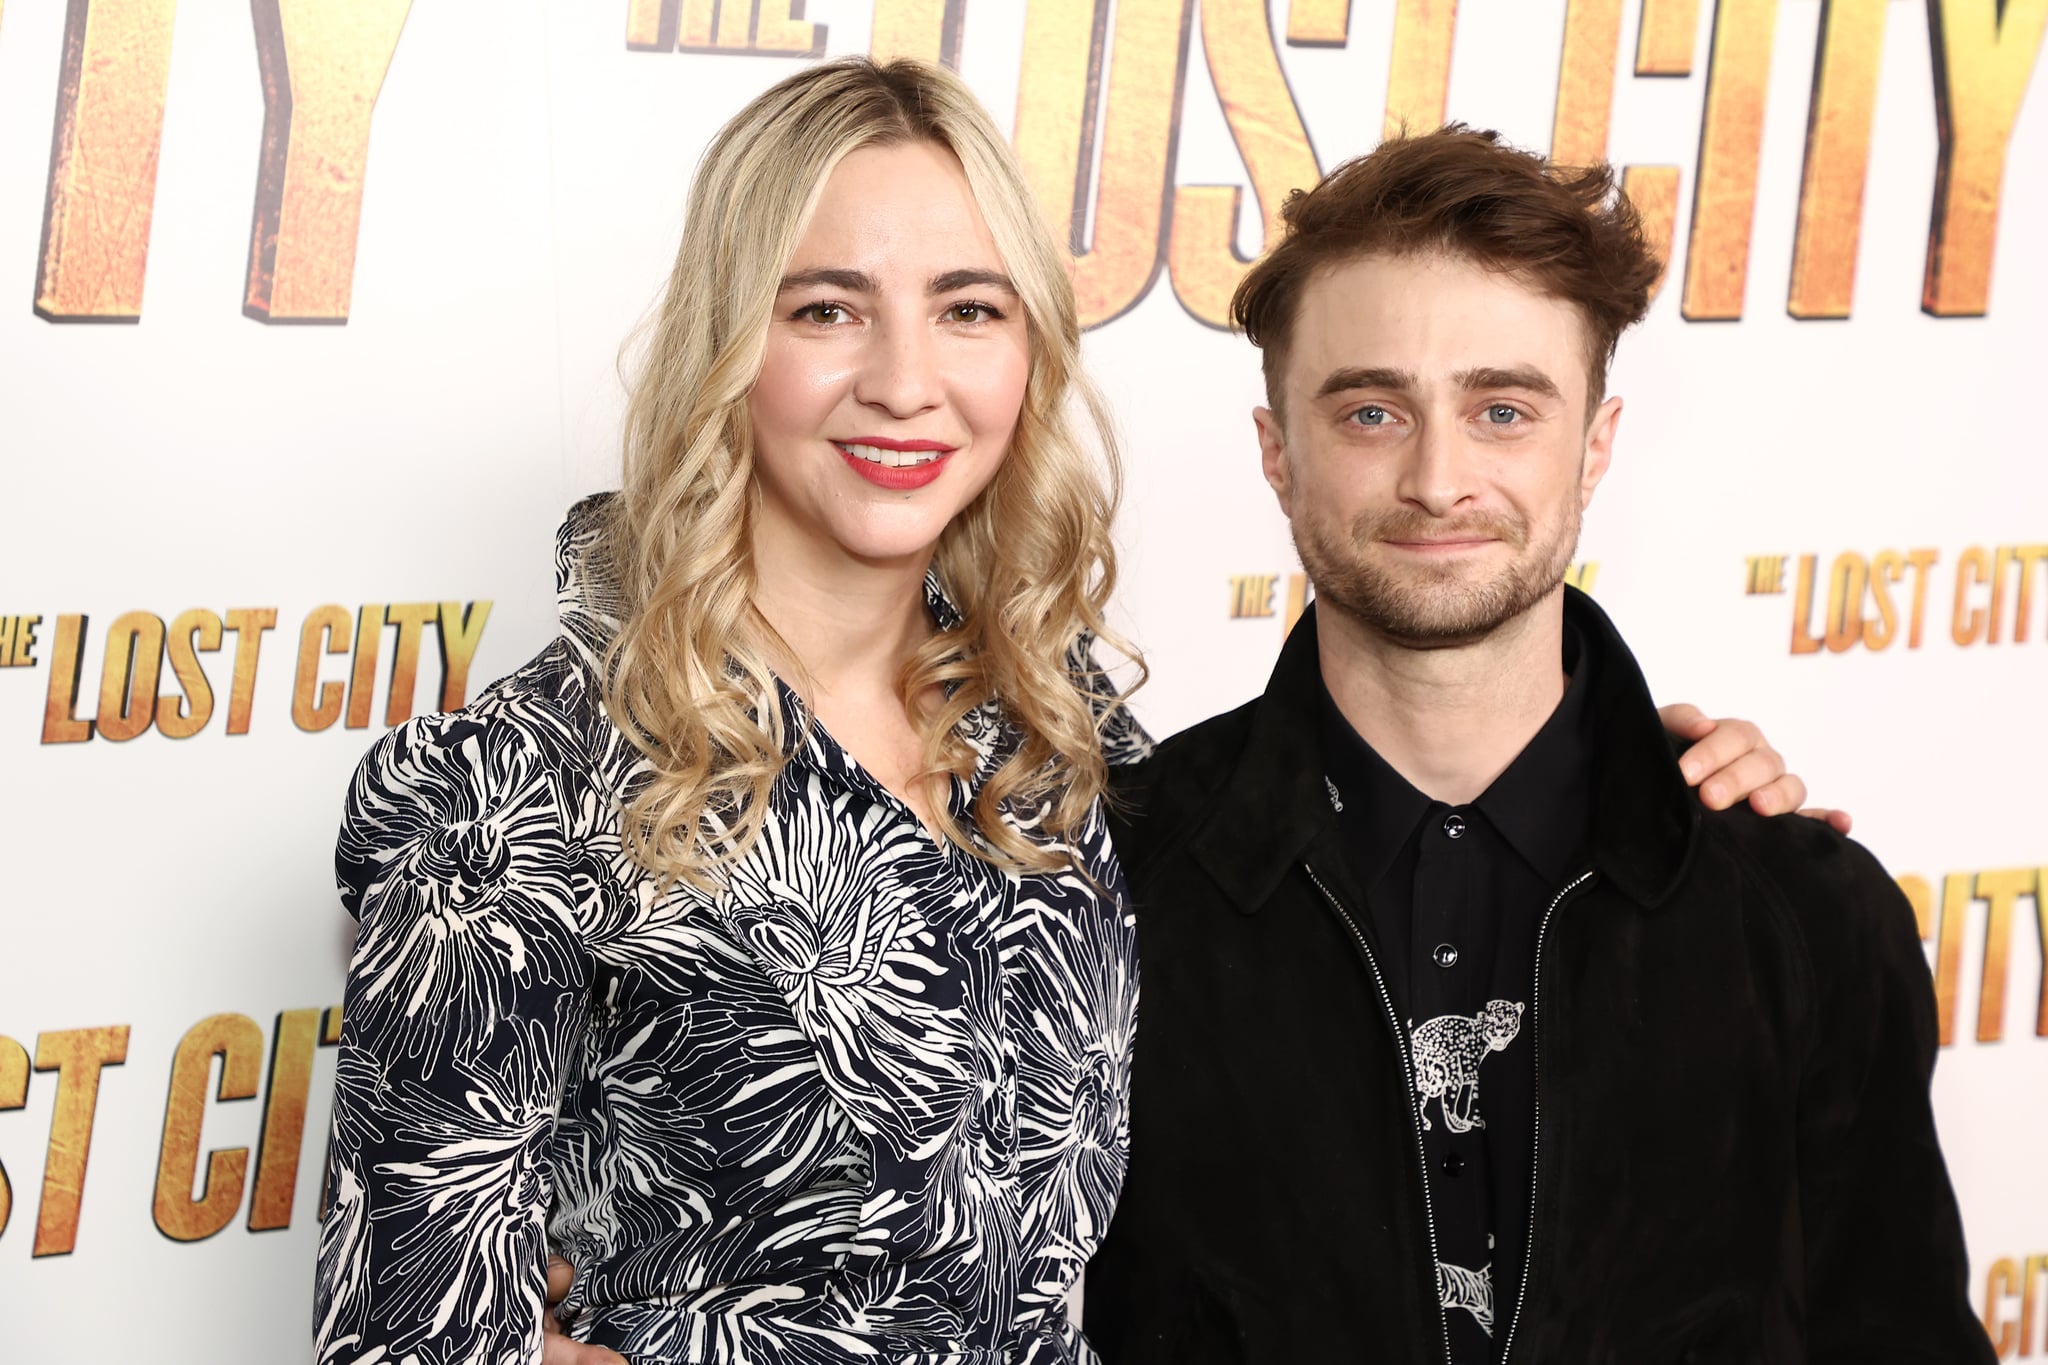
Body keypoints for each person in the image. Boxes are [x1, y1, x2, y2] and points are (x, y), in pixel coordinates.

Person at [323, 58, 1810, 1365]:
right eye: (827, 308)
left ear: (1024, 353)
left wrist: (1628, 774)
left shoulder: (1050, 722)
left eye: (967, 310)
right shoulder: (500, 790)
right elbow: (402, 1338)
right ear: (733, 341)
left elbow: (1333, 882)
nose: (906, 383)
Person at [1082, 127, 1989, 1364]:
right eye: (1369, 411)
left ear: (1594, 445)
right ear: (1276, 452)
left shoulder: (1802, 914)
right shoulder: (1104, 895)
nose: (1438, 479)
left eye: (1501, 408)